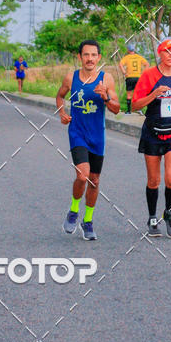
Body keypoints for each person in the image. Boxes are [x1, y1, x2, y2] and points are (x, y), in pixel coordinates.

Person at [132, 39, 171, 238]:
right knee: (154, 180)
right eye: (167, 52)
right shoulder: (149, 75)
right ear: (160, 53)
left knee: (170, 178)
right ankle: (152, 217)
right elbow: (135, 105)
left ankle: (168, 213)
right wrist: (154, 94)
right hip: (153, 133)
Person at [56, 40, 120, 241]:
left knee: (94, 180)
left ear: (99, 58)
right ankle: (74, 210)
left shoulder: (106, 79)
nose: (90, 59)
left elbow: (117, 108)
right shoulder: (71, 77)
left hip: (97, 136)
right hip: (77, 133)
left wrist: (106, 98)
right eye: (86, 55)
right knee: (82, 176)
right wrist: (62, 113)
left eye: (93, 55)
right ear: (80, 57)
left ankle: (88, 221)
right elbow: (60, 96)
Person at [118, 44, 149, 113]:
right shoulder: (139, 57)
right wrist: (143, 73)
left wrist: (124, 72)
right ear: (134, 50)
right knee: (138, 94)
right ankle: (139, 109)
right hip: (138, 77)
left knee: (129, 94)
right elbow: (147, 64)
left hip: (129, 77)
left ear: (128, 50)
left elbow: (120, 64)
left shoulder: (126, 57)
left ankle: (129, 111)